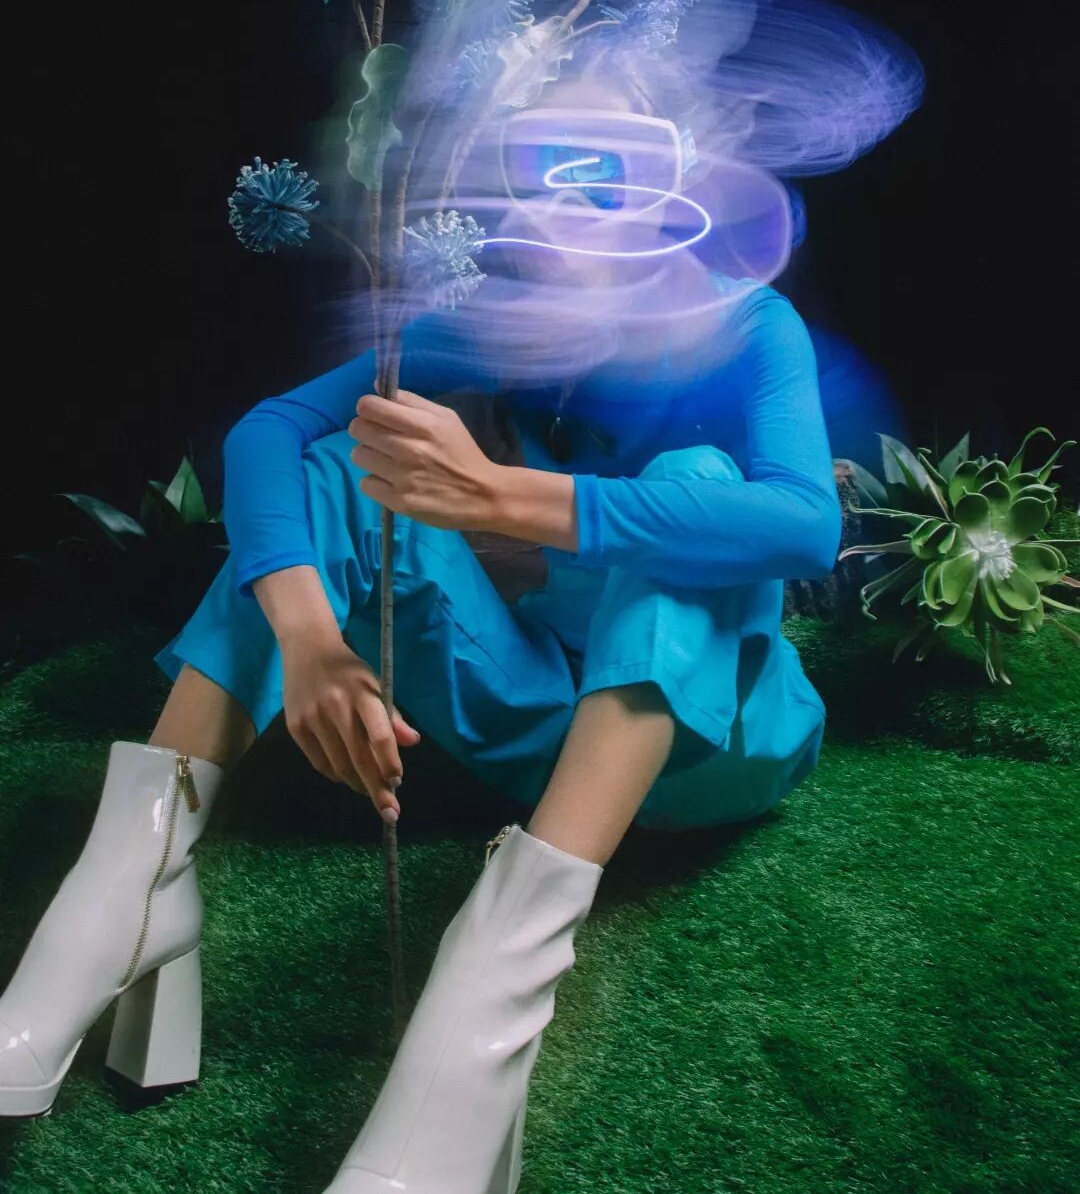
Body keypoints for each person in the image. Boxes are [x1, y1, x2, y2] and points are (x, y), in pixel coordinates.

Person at [0, 72, 842, 1192]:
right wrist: (312, 641)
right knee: (342, 460)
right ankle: (133, 882)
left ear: (671, 173)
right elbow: (270, 430)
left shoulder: (743, 324)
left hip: (715, 746)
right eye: (545, 158)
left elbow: (804, 524)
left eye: (615, 159)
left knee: (696, 485)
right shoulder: (492, 327)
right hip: (530, 723)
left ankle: (485, 1008)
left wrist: (499, 495)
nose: (575, 189)